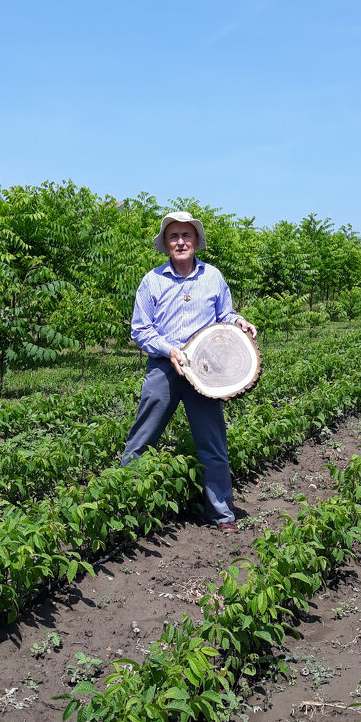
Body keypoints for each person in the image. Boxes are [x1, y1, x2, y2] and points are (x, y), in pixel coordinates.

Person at [121, 210, 257, 533]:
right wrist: (169, 350)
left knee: (212, 443)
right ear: (166, 244)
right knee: (142, 437)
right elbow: (140, 329)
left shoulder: (213, 278)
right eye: (173, 237)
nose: (180, 242)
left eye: (186, 236)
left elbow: (226, 314)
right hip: (164, 366)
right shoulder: (152, 281)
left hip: (205, 371)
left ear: (196, 242)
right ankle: (125, 501)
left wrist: (240, 322)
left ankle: (222, 513)